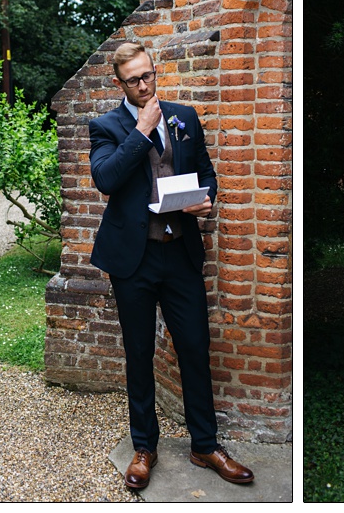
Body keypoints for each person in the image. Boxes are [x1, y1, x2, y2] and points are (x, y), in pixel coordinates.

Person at [88, 43, 254, 490]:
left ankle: (206, 445)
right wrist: (141, 131)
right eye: (134, 80)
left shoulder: (185, 117)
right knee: (139, 354)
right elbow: (106, 180)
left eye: (149, 76)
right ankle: (144, 447)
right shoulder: (105, 125)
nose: (145, 86)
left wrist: (207, 200)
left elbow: (207, 174)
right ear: (118, 82)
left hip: (180, 254)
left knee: (196, 348)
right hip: (134, 260)